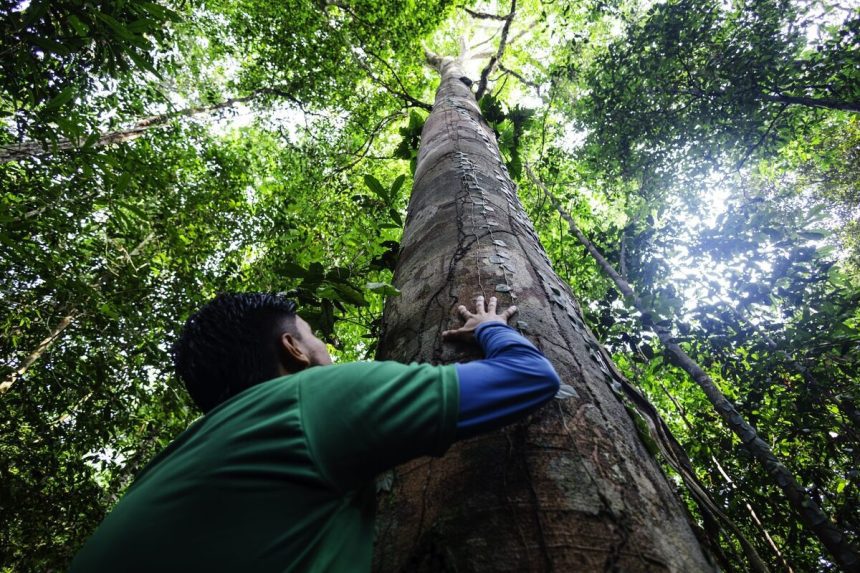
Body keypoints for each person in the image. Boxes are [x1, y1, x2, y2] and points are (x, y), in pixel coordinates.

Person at [69, 292, 560, 572]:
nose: (325, 349)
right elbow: (530, 377)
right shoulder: (311, 399)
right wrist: (489, 326)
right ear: (294, 349)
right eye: (314, 335)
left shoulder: (178, 464)